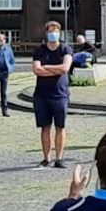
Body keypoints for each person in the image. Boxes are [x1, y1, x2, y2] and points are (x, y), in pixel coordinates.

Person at [32, 22, 75, 169]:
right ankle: (46, 158)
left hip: (60, 94)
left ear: (60, 33)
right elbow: (37, 70)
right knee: (45, 127)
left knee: (60, 127)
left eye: (55, 31)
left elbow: (65, 68)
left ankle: (59, 158)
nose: (53, 33)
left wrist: (47, 67)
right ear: (46, 33)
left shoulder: (65, 49)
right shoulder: (39, 50)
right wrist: (53, 70)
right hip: (42, 95)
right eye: (50, 31)